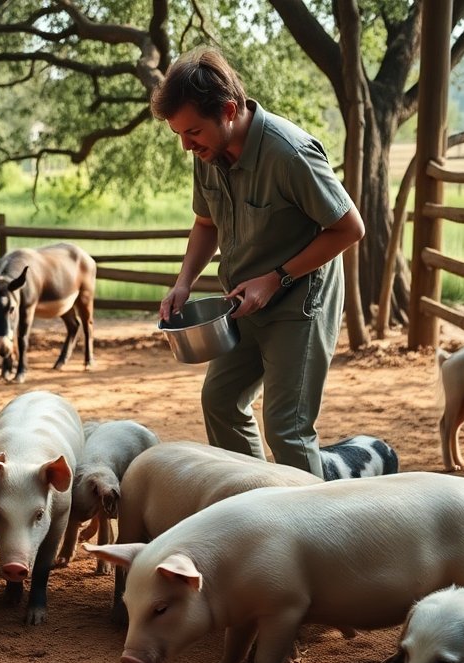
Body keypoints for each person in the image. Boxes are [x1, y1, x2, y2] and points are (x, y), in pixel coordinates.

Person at [153, 47, 365, 477]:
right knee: (220, 401)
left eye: (192, 131)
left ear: (228, 111)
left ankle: (311, 531)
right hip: (241, 300)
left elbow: (350, 229)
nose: (185, 145)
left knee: (287, 426)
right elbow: (205, 223)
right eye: (179, 133)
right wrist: (183, 282)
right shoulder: (207, 153)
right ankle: (258, 508)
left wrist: (277, 277)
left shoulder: (291, 154)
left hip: (300, 300)